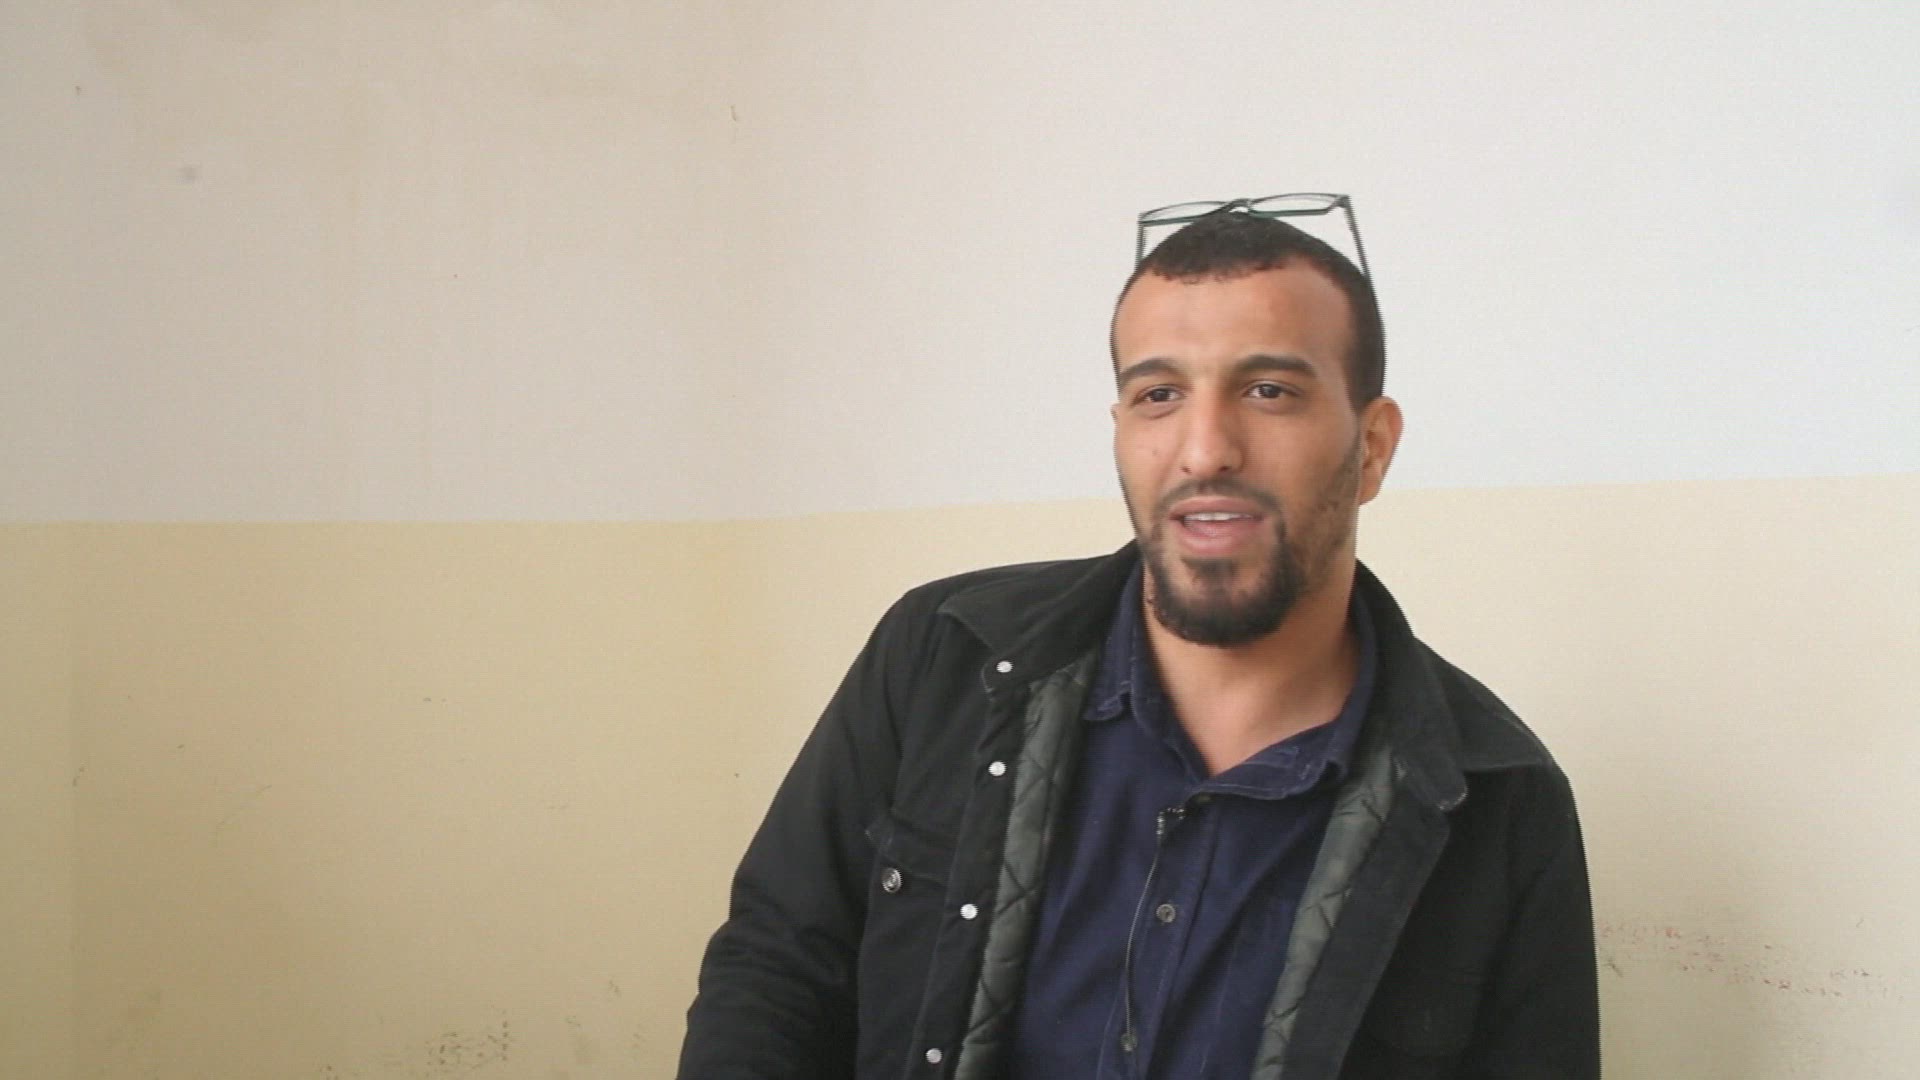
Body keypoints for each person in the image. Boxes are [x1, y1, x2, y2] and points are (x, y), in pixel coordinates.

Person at [677, 201, 1599, 1080]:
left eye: (1269, 390)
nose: (1205, 449)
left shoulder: (1498, 799)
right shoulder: (942, 656)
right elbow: (776, 971)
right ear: (1120, 431)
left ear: (1372, 447)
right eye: (1159, 394)